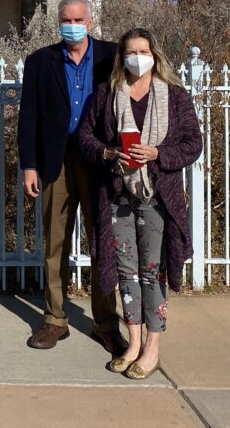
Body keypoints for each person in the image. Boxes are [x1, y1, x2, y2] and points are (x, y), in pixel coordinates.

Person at [77, 27, 202, 379]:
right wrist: (107, 151)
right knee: (125, 271)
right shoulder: (105, 94)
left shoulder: (175, 97)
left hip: (158, 198)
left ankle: (152, 348)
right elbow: (85, 137)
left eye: (143, 51)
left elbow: (194, 143)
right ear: (121, 57)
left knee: (153, 272)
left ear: (155, 55)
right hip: (117, 197)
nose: (137, 57)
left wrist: (159, 153)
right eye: (131, 51)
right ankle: (132, 342)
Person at [17, 0, 125, 352]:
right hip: (55, 161)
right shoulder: (40, 61)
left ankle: (106, 322)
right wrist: (29, 165)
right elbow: (28, 116)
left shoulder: (112, 57)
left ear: (90, 23)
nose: (72, 25)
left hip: (100, 161)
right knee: (54, 243)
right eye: (66, 19)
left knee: (102, 244)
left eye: (78, 19)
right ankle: (54, 319)